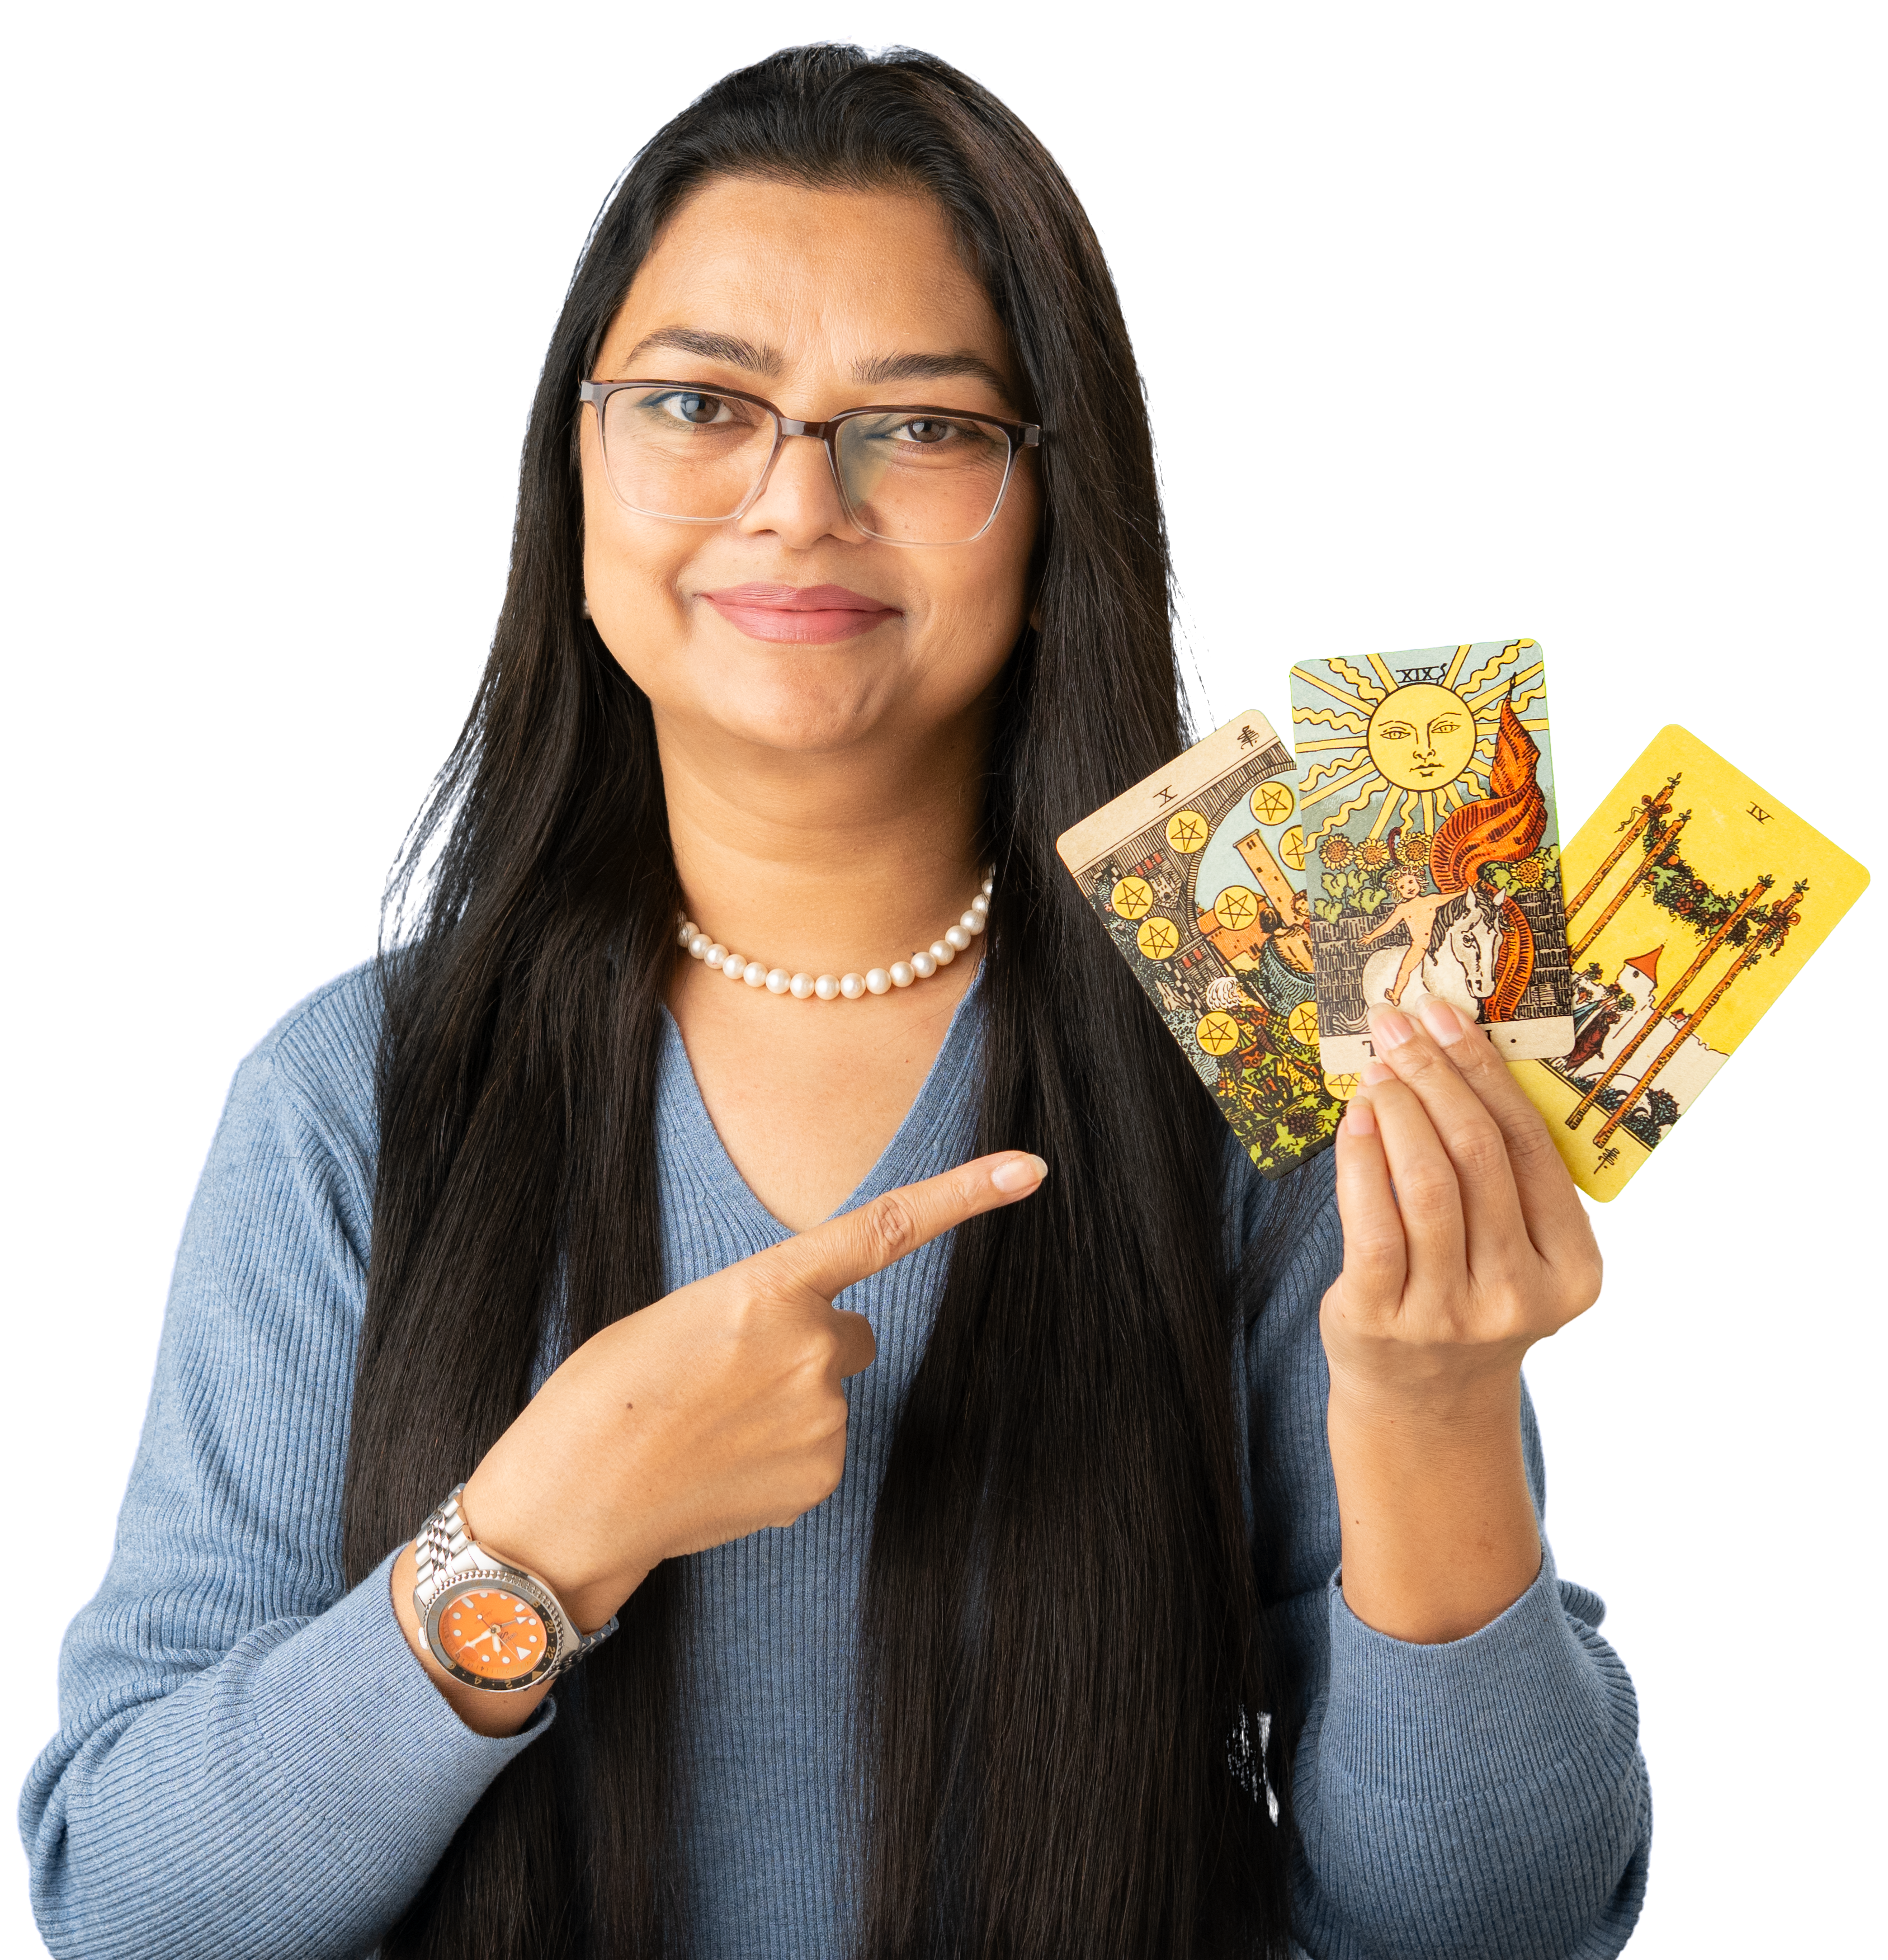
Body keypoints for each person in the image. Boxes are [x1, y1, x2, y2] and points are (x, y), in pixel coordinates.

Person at [18, 42, 1651, 1960]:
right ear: (575, 466)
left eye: (927, 425)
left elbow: (1501, 1925)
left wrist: (1435, 1407)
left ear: (1056, 511)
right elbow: (119, 1898)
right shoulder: (353, 1091)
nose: (798, 503)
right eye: (704, 403)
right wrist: (532, 1542)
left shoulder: (1280, 1063)